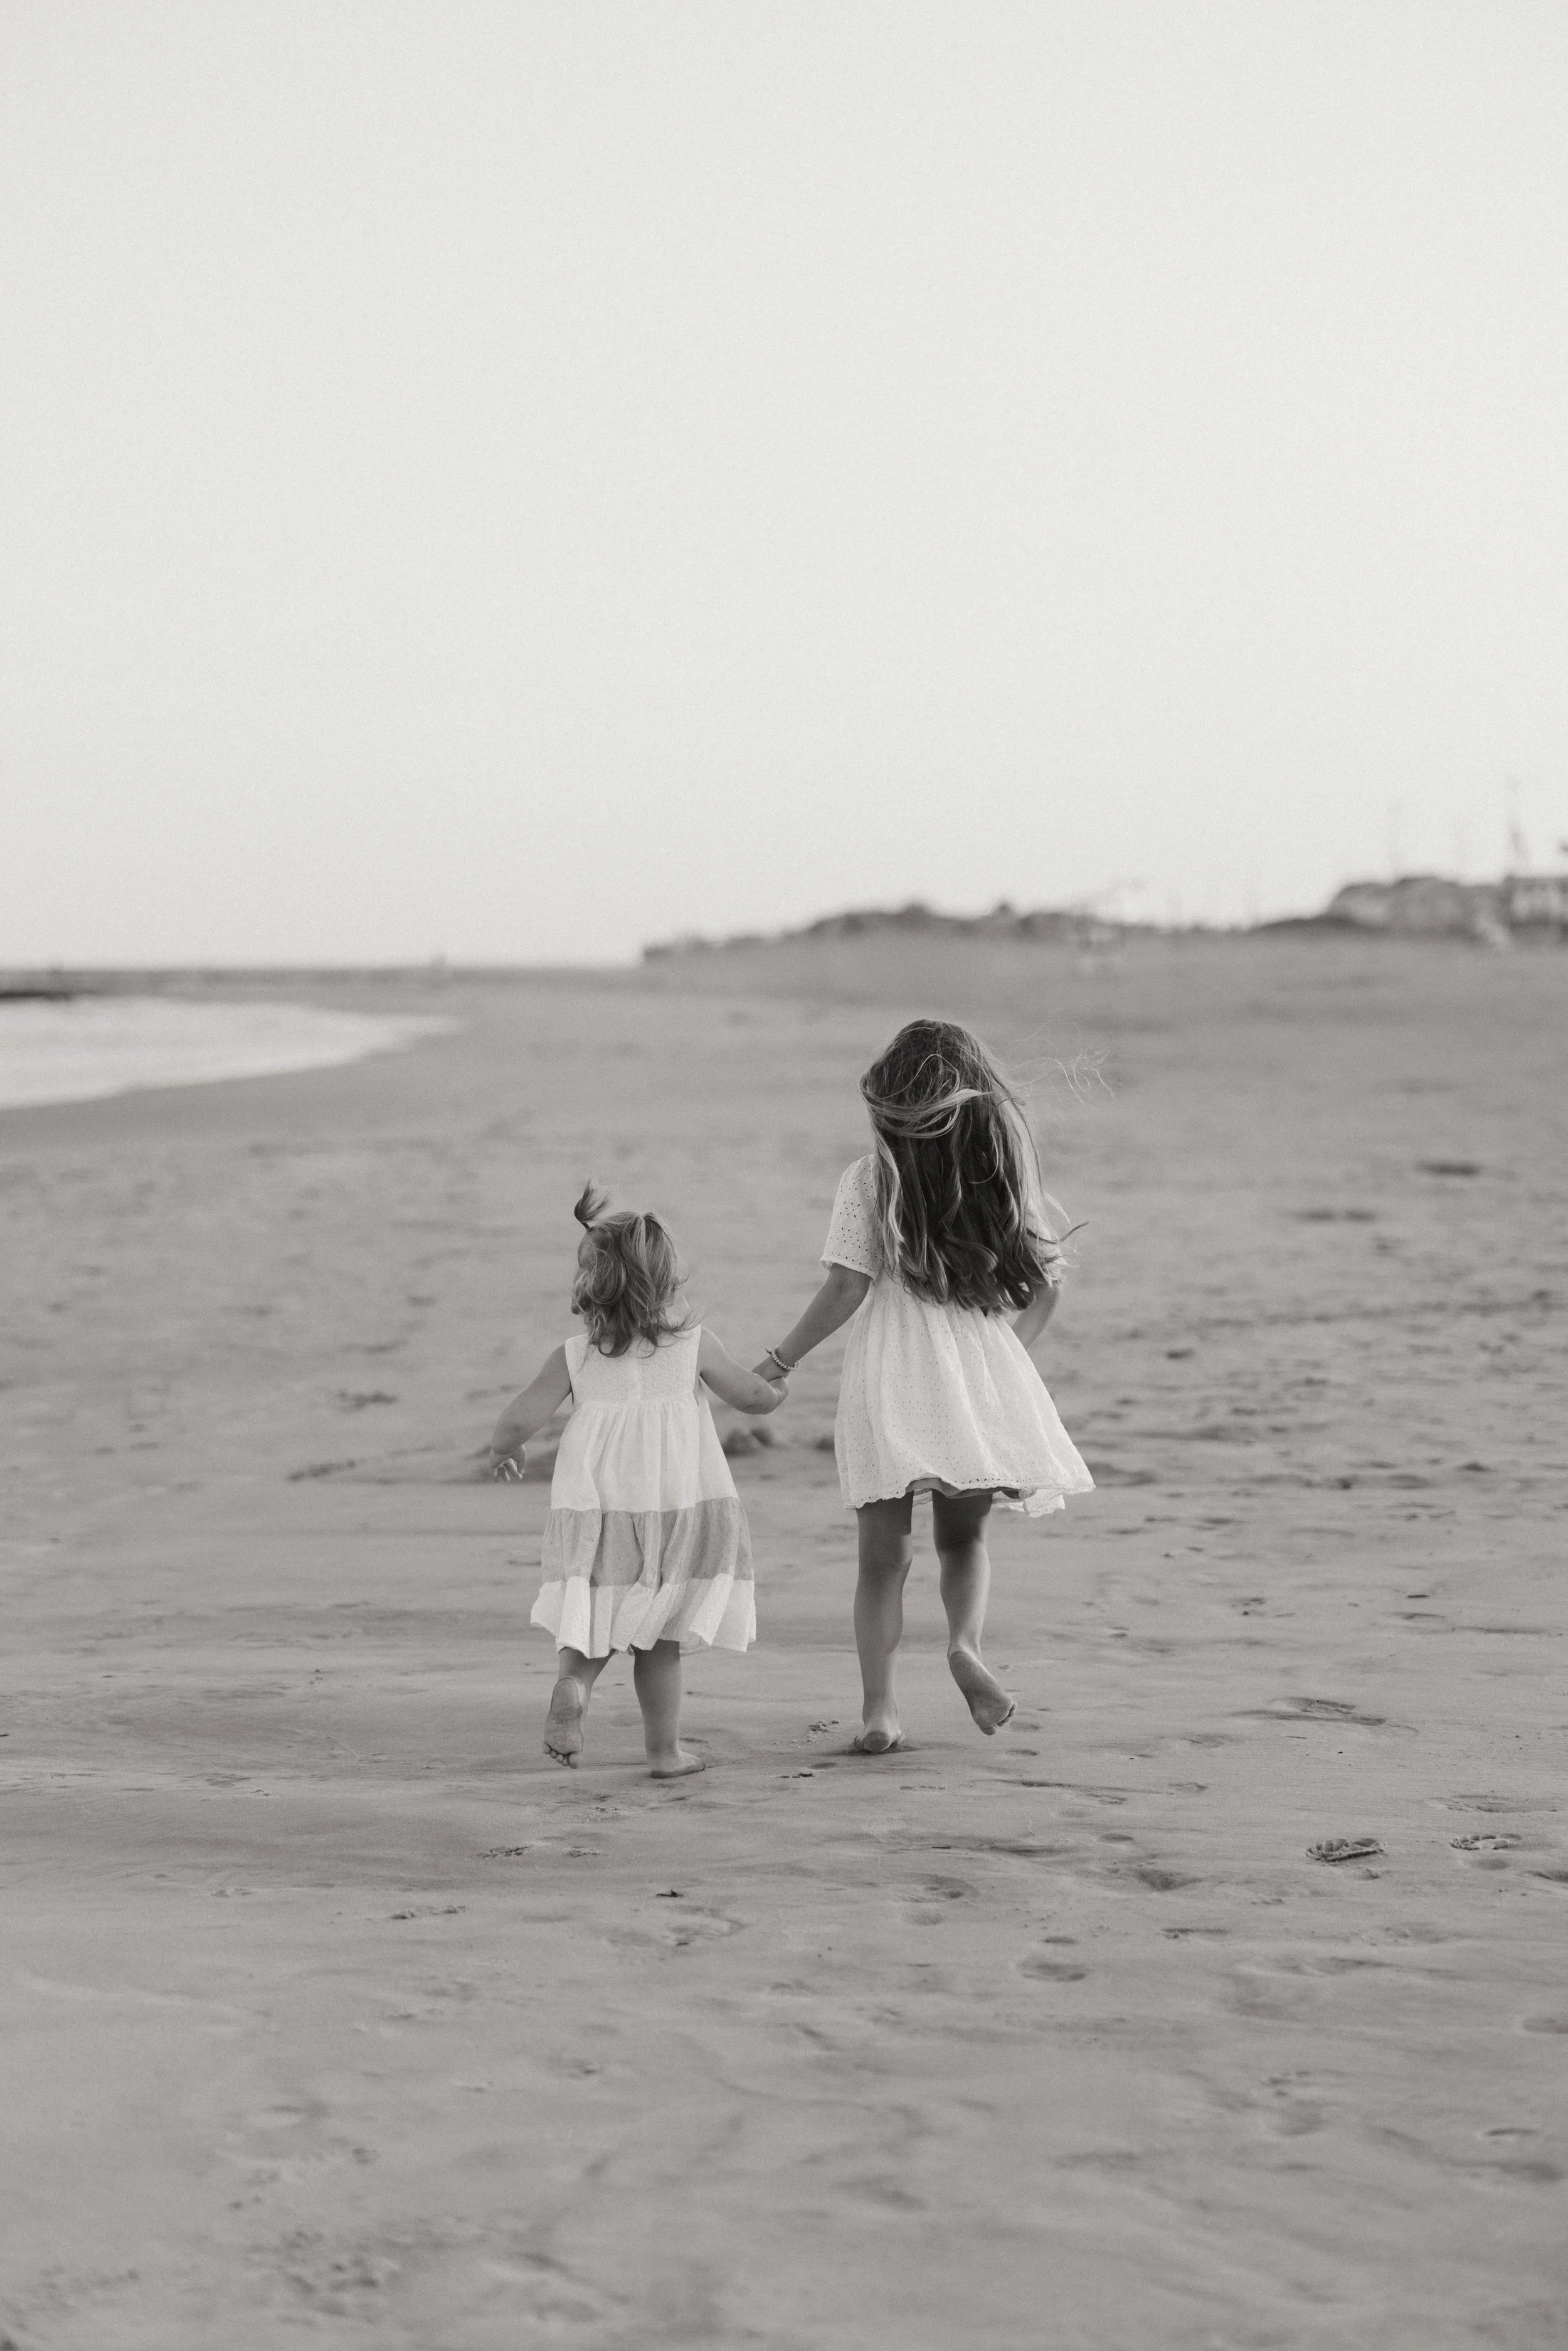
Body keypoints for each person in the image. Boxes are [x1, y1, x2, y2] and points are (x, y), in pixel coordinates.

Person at [755, 1019, 1092, 1753]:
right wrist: (1006, 1360)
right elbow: (1046, 1289)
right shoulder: (999, 1172)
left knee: (881, 1557)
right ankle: (964, 1645)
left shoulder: (870, 1179)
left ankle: (880, 1710)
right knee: (964, 1537)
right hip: (974, 1373)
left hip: (890, 1375)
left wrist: (780, 1359)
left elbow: (847, 1287)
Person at [489, 1184, 785, 1776]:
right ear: (668, 1281)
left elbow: (521, 1415)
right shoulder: (693, 1346)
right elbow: (749, 1397)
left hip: (600, 1514)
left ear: (590, 1284)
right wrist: (776, 1388)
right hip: (678, 1512)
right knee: (662, 1639)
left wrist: (506, 1447)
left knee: (597, 1615)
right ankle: (664, 1752)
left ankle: (574, 1685)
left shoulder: (575, 1356)